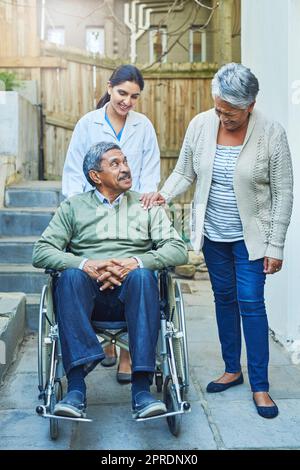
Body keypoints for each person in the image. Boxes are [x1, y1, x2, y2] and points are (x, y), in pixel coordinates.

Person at [141, 63, 293, 419]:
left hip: (252, 238)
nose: (222, 117)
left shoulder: (272, 133)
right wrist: (162, 195)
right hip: (213, 234)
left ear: (250, 105)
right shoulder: (201, 124)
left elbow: (284, 193)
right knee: (224, 299)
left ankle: (261, 386)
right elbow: (185, 170)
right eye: (219, 108)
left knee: (252, 303)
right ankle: (232, 369)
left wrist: (276, 246)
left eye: (231, 112)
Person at [32, 141, 188, 419]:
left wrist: (135, 263)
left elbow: (177, 249)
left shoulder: (146, 205)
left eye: (125, 161)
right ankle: (76, 389)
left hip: (136, 296)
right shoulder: (74, 207)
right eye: (115, 164)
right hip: (86, 299)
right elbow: (41, 251)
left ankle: (141, 391)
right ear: (95, 176)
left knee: (142, 276)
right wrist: (85, 265)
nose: (125, 168)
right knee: (69, 277)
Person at [62, 64, 160, 382]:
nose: (127, 101)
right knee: (91, 264)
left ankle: (127, 355)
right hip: (93, 211)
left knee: (136, 268)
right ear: (109, 88)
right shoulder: (88, 124)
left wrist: (143, 210)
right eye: (122, 93)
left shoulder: (143, 126)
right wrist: (80, 214)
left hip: (131, 211)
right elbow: (73, 174)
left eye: (134, 96)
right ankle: (103, 344)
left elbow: (149, 173)